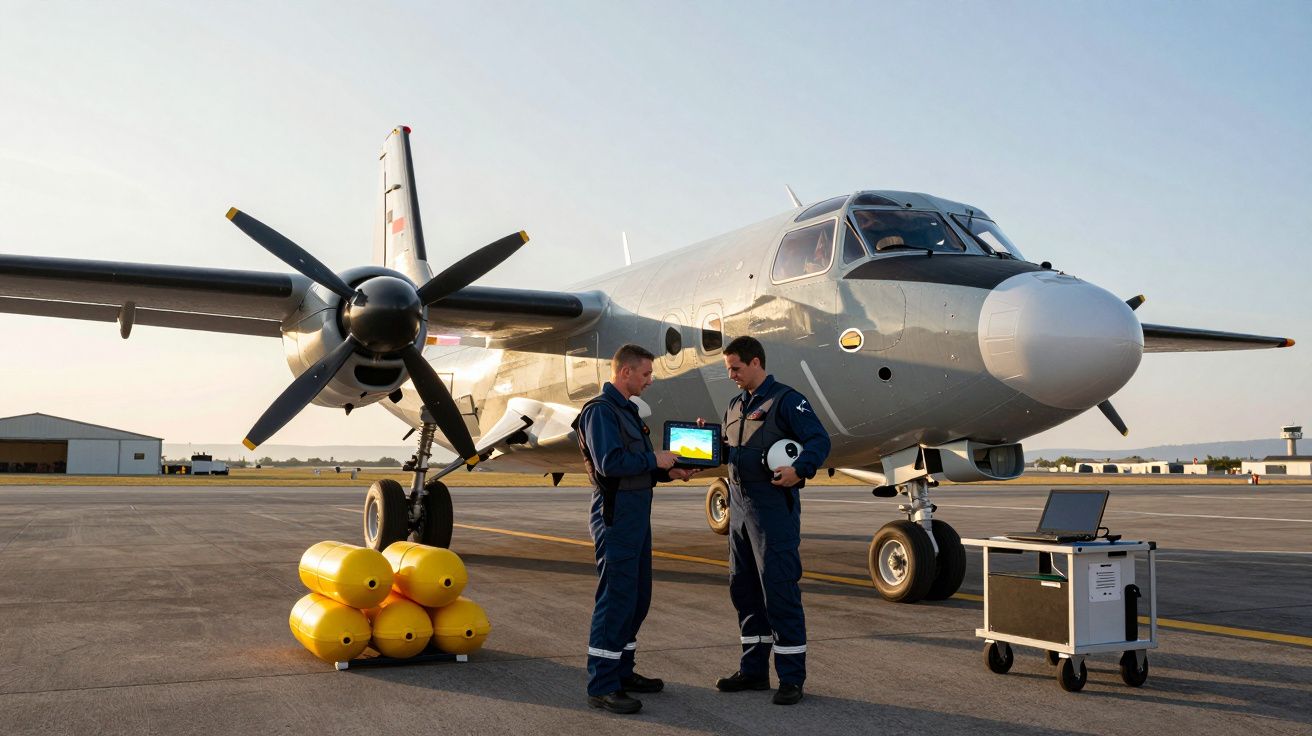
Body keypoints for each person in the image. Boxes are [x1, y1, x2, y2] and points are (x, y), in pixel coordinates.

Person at [573, 343, 699, 714]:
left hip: (636, 515)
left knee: (638, 597)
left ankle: (623, 671)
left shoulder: (625, 411)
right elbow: (610, 463)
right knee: (616, 599)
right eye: (646, 373)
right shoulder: (600, 412)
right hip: (615, 517)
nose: (650, 380)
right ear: (625, 372)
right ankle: (602, 684)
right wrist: (654, 458)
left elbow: (634, 465)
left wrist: (667, 471)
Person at [708, 336, 830, 705]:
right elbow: (732, 450)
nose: (731, 374)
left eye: (736, 368)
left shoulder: (787, 400)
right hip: (740, 512)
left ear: (756, 363)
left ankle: (791, 677)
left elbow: (818, 440)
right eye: (728, 368)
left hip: (772, 509)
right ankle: (753, 671)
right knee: (743, 590)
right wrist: (706, 441)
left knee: (779, 590)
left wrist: (800, 470)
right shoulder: (734, 405)